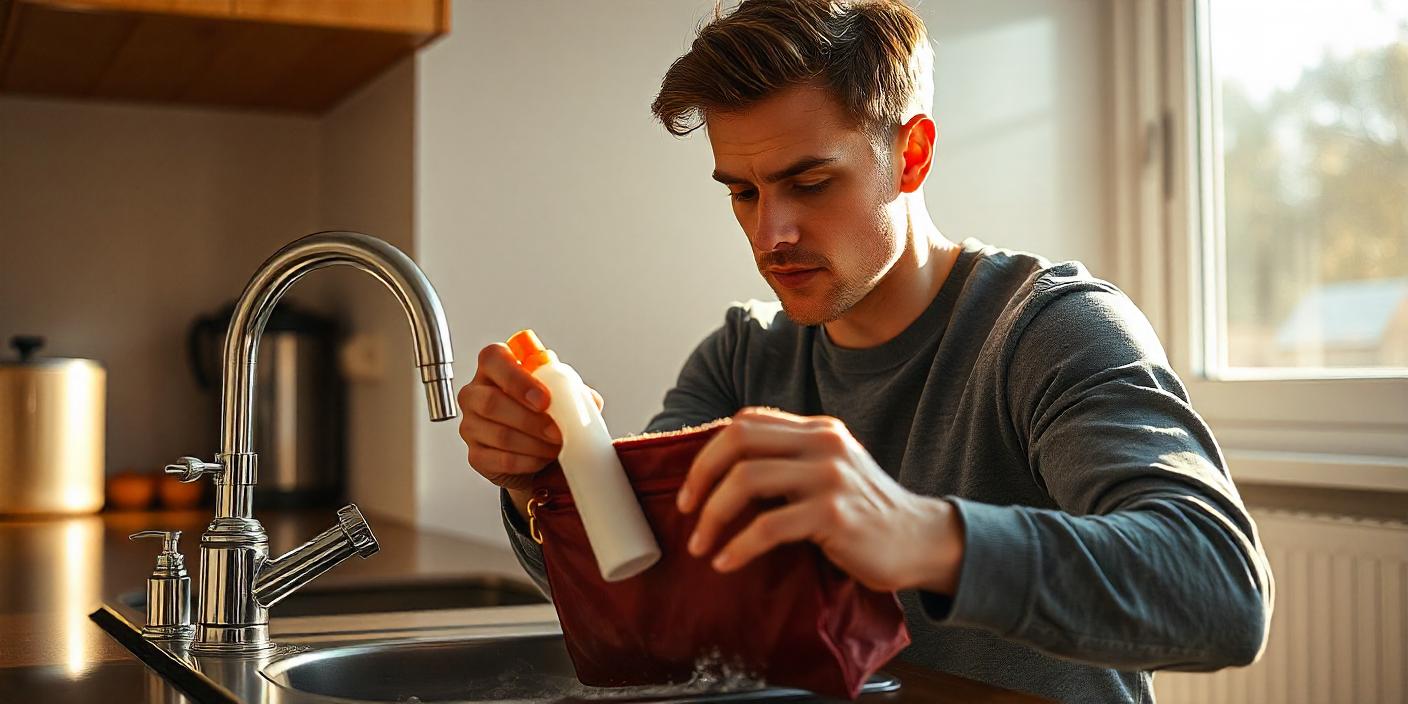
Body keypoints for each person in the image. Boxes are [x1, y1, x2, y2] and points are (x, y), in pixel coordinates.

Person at [456, 1, 1274, 701]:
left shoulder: (1050, 330)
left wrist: (921, 534)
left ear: (911, 154)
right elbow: (650, 596)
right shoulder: (741, 360)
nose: (769, 234)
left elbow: (1222, 592)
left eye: (810, 184)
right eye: (742, 192)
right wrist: (546, 493)